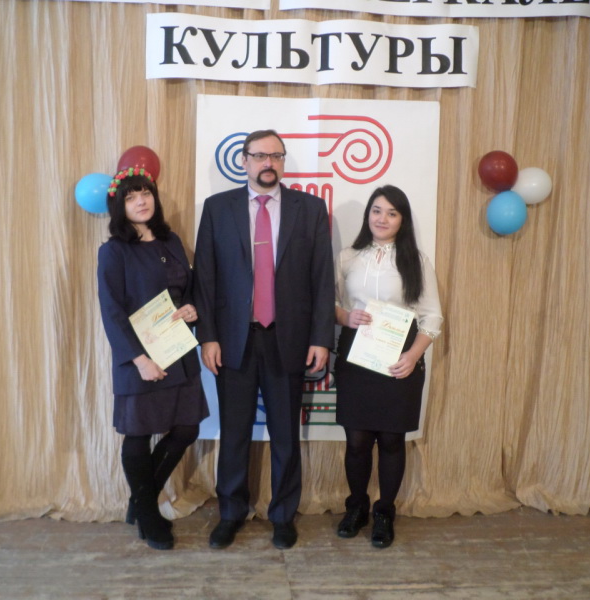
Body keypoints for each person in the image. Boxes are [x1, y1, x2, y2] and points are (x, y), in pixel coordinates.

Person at [194, 130, 335, 550]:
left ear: (283, 161)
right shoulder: (217, 208)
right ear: (244, 160)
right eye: (259, 155)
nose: (268, 163)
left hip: (288, 339)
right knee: (234, 433)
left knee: (285, 435)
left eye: (275, 155)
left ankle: (283, 516)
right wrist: (208, 337)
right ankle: (230, 513)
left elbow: (322, 278)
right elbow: (205, 278)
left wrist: (321, 337)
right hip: (233, 340)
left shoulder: (310, 209)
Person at [97, 165, 209, 551]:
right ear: (120, 207)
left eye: (145, 193)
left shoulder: (171, 240)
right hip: (140, 358)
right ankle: (148, 512)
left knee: (186, 428)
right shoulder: (114, 251)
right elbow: (111, 310)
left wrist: (191, 308)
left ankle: (140, 500)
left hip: (177, 349)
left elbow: (187, 289)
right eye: (131, 197)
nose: (141, 201)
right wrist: (138, 359)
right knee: (139, 433)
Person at [333, 184, 443, 549]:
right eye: (377, 211)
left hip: (400, 357)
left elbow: (432, 316)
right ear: (368, 215)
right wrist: (345, 317)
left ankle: (384, 512)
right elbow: (330, 303)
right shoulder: (348, 257)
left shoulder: (417, 261)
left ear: (402, 220)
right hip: (356, 355)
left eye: (392, 213)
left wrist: (413, 356)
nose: (382, 219)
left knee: (392, 440)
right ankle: (356, 508)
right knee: (357, 441)